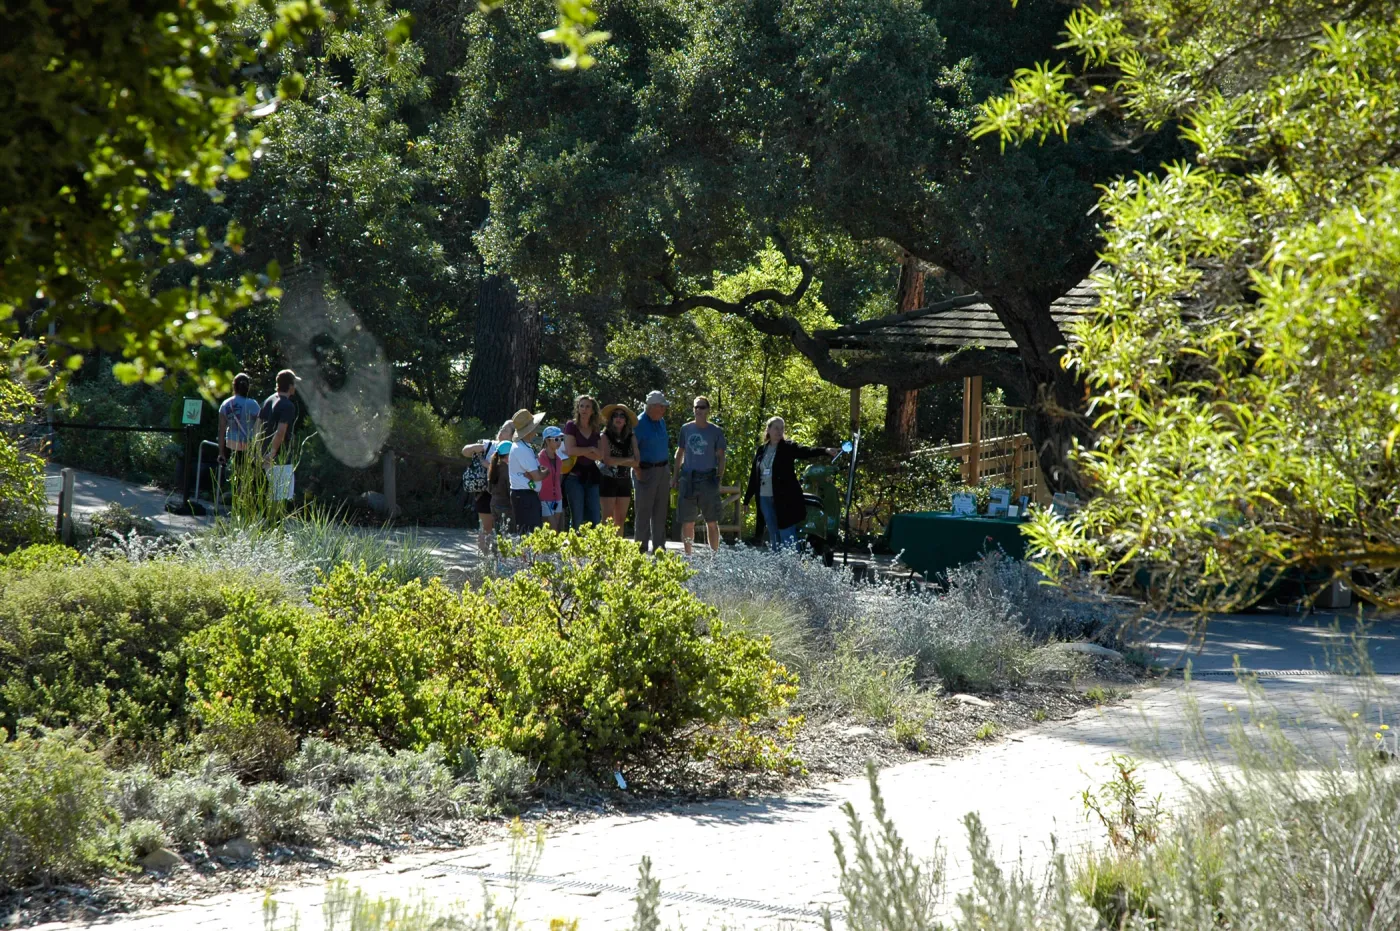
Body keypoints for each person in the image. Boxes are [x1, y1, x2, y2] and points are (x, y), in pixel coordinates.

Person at [743, 416, 840, 552]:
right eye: (776, 428)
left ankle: (793, 567)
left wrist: (824, 450)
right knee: (773, 533)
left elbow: (806, 451)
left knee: (786, 534)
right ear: (768, 430)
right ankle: (778, 567)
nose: (779, 431)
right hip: (765, 497)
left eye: (782, 428)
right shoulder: (761, 450)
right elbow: (754, 476)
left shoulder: (788, 447)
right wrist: (747, 499)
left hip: (784, 499)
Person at [672, 395, 727, 554]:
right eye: (696, 407)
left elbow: (721, 456)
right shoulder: (686, 429)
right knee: (687, 521)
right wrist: (675, 476)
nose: (698, 410)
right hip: (688, 478)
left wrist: (719, 478)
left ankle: (714, 557)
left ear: (708, 410)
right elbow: (680, 452)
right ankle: (688, 557)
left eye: (702, 407)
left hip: (708, 479)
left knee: (712, 521)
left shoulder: (716, 431)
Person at [461, 421, 514, 553]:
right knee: (486, 527)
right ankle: (485, 557)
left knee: (502, 527)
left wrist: (488, 465)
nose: (502, 431)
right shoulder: (489, 445)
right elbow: (465, 451)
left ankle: (497, 558)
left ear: (513, 434)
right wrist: (477, 448)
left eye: (506, 430)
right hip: (485, 490)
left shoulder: (514, 450)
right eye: (502, 428)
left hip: (504, 492)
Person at [633, 390, 671, 554]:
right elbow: (632, 450)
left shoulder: (661, 421)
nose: (664, 410)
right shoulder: (639, 423)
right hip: (645, 471)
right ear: (652, 406)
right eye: (661, 407)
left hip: (663, 470)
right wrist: (637, 469)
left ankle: (659, 548)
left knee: (661, 511)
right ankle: (640, 550)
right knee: (643, 511)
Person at [562, 394, 604, 528]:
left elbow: (600, 455)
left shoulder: (595, 428)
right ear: (578, 408)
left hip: (592, 476)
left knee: (595, 517)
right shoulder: (571, 426)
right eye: (581, 406)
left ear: (593, 411)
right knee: (577, 518)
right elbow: (570, 450)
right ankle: (574, 547)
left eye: (587, 407)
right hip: (574, 476)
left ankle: (595, 548)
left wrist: (582, 450)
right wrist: (591, 449)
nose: (584, 409)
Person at [259, 368, 300, 502]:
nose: (295, 387)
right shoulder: (288, 406)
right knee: (281, 497)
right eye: (294, 384)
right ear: (289, 386)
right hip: (279, 456)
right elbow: (281, 431)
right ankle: (274, 523)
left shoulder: (269, 400)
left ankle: (265, 522)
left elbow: (257, 425)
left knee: (266, 495)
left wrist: (258, 449)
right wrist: (272, 453)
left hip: (263, 453)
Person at [506, 408, 548, 534]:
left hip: (526, 496)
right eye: (534, 428)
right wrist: (546, 472)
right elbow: (537, 476)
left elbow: (534, 474)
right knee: (529, 533)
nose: (535, 432)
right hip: (525, 497)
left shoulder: (523, 447)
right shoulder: (522, 449)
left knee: (528, 533)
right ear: (528, 430)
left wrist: (538, 473)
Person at [600, 403, 639, 531]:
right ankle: (604, 550)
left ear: (626, 420)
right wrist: (628, 460)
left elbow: (637, 462)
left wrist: (618, 461)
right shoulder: (604, 436)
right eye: (615, 415)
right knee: (607, 519)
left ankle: (617, 549)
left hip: (625, 481)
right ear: (610, 419)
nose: (618, 418)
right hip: (607, 480)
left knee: (620, 520)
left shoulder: (631, 437)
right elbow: (607, 460)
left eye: (622, 415)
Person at [217, 372, 261, 470]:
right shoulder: (252, 404)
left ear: (234, 386)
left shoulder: (225, 404)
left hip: (230, 446)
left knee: (233, 476)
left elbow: (221, 430)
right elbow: (261, 426)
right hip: (247, 447)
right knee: (247, 476)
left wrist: (221, 452)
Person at [537, 426, 570, 531]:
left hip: (557, 499)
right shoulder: (539, 458)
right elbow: (532, 480)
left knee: (556, 530)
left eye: (561, 439)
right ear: (547, 440)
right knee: (551, 527)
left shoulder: (559, 460)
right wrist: (534, 492)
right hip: (544, 499)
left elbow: (558, 480)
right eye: (556, 439)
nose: (559, 442)